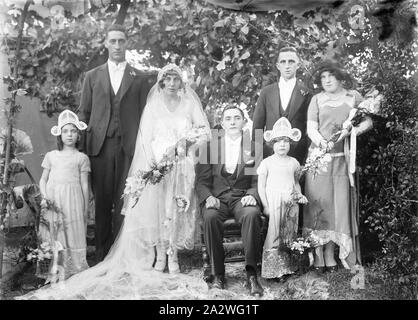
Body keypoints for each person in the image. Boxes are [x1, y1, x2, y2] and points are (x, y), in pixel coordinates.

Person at [17, 64, 211, 300]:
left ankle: (174, 256)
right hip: (159, 165)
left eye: (176, 79)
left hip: (181, 165)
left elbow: (203, 132)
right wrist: (154, 164)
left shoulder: (189, 104)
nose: (171, 83)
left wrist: (186, 144)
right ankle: (160, 255)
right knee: (159, 210)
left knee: (176, 209)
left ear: (182, 82)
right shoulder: (153, 106)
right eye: (167, 79)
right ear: (161, 83)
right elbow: (145, 139)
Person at [78, 24, 151, 262]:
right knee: (102, 203)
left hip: (129, 148)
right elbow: (84, 113)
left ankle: (121, 257)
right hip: (99, 147)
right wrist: (81, 150)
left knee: (124, 202)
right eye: (113, 41)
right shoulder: (92, 76)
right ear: (106, 43)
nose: (118, 46)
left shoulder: (139, 77)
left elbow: (145, 115)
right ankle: (101, 255)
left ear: (127, 43)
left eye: (121, 41)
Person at [303, 60, 373, 273]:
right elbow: (311, 128)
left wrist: (352, 131)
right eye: (323, 78)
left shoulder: (354, 97)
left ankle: (333, 254)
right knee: (318, 204)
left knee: (339, 206)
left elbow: (367, 122)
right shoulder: (316, 99)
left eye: (330, 76)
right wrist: (322, 143)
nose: (327, 81)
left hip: (343, 159)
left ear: (340, 77)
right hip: (319, 160)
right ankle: (319, 255)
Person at [195, 105, 264, 297]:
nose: (232, 122)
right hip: (218, 198)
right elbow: (202, 181)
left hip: (242, 196)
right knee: (209, 217)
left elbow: (256, 178)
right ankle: (218, 274)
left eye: (236, 118)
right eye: (228, 118)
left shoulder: (253, 147)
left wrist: (252, 194)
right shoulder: (209, 147)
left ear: (244, 121)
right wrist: (208, 197)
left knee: (251, 214)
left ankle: (251, 274)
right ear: (222, 123)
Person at [39, 110, 90, 279]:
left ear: (78, 135)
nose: (69, 135)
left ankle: (74, 267)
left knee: (72, 229)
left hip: (73, 200)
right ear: (60, 134)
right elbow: (43, 180)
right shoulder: (51, 156)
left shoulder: (81, 158)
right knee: (56, 231)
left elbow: (84, 184)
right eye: (66, 131)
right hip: (54, 199)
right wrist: (45, 197)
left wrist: (84, 207)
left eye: (73, 131)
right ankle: (56, 268)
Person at [257, 117, 308, 280]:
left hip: (290, 203)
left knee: (289, 234)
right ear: (272, 144)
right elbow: (261, 186)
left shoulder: (294, 162)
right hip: (274, 202)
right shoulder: (267, 163)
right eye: (278, 141)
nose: (282, 145)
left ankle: (288, 268)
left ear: (290, 144)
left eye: (286, 141)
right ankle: (273, 270)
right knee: (275, 233)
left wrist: (299, 195)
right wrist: (265, 205)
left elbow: (295, 183)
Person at [252, 46, 312, 165]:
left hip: (298, 157)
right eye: (283, 62)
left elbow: (309, 129)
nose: (287, 65)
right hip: (269, 157)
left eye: (291, 61)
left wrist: (307, 159)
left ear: (298, 65)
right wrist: (259, 157)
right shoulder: (266, 92)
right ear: (278, 66)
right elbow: (257, 128)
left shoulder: (307, 93)